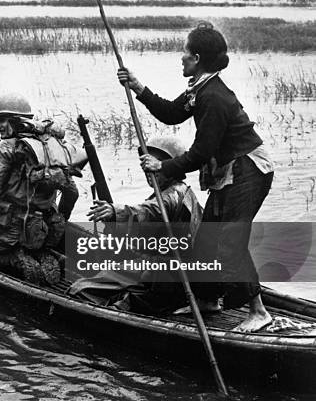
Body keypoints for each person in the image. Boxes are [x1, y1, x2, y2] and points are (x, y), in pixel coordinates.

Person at [117, 22, 274, 332]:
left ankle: (259, 311)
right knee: (205, 241)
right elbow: (172, 113)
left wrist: (162, 167)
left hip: (248, 171)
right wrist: (138, 87)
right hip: (229, 170)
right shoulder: (200, 89)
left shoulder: (214, 97)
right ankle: (209, 298)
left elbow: (201, 153)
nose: (181, 58)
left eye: (185, 53)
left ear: (198, 58)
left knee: (230, 242)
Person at [70, 137, 202, 315]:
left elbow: (148, 211)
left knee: (80, 289)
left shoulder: (170, 196)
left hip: (164, 278)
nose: (149, 173)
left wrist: (115, 212)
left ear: (170, 168)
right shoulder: (183, 191)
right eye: (146, 168)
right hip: (172, 272)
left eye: (154, 167)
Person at [0, 93, 73, 285]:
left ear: (16, 121)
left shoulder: (7, 147)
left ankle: (15, 260)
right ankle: (45, 255)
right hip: (46, 229)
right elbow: (73, 193)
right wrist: (60, 219)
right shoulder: (51, 146)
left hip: (11, 232)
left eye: (1, 121)